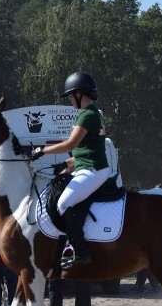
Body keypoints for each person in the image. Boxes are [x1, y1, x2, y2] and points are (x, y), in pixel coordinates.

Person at [32, 72, 112, 268]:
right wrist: (67, 165)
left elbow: (70, 144)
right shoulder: (92, 114)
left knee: (63, 203)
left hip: (93, 171)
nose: (69, 100)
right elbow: (86, 150)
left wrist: (42, 151)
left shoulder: (88, 115)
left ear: (79, 94)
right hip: (87, 167)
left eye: (70, 95)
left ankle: (81, 251)